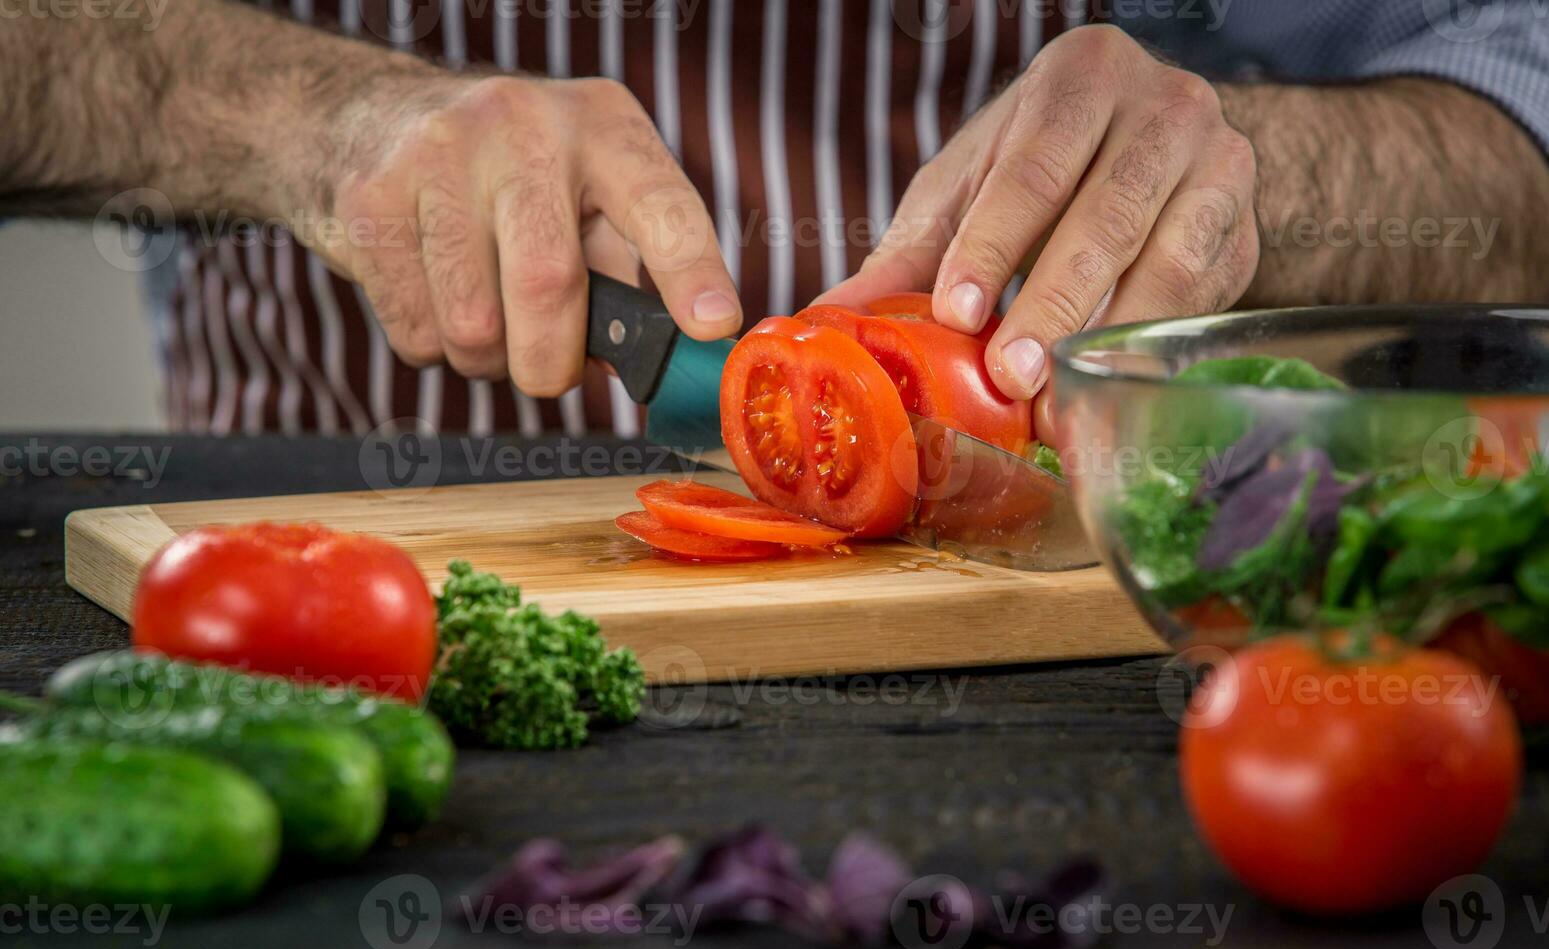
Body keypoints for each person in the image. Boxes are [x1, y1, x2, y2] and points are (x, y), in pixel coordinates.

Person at [3, 0, 1547, 444]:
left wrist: (1242, 179)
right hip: (328, 585)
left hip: (1073, 650)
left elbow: (1516, 139)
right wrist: (300, 118)